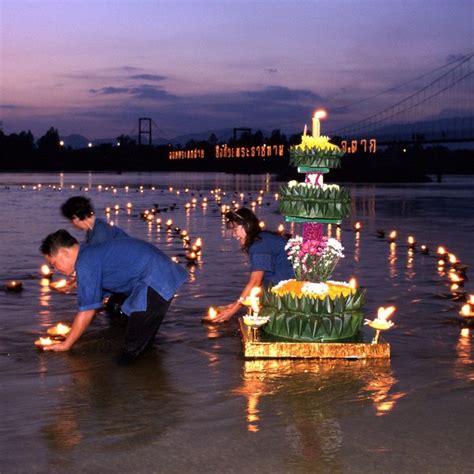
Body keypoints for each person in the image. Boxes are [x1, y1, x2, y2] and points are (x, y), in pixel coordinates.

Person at [39, 229, 188, 357]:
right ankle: (149, 365)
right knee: (136, 333)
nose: (56, 270)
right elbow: (94, 302)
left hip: (156, 281)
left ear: (64, 252)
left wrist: (66, 344)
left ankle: (139, 380)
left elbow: (87, 311)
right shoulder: (89, 253)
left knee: (130, 351)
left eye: (54, 264)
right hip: (160, 276)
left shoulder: (85, 262)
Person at [210, 208, 294, 323]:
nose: (234, 235)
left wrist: (232, 311)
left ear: (247, 226)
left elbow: (255, 282)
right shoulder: (262, 238)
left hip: (290, 293)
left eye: (235, 229)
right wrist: (236, 303)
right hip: (285, 288)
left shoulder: (258, 245)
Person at [61, 196, 128, 244]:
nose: (73, 225)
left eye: (71, 221)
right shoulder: (96, 227)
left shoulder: (99, 233)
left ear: (75, 217)